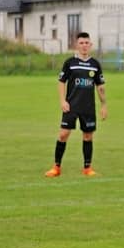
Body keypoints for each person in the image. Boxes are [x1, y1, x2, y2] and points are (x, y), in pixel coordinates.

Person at [45, 32, 107, 178]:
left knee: (88, 136)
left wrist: (104, 105)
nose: (84, 45)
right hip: (71, 106)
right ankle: (56, 167)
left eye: (87, 43)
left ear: (90, 45)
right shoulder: (70, 63)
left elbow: (100, 87)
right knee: (63, 134)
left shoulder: (95, 65)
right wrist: (62, 101)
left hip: (88, 107)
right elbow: (61, 82)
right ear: (76, 45)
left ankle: (87, 168)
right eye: (81, 43)